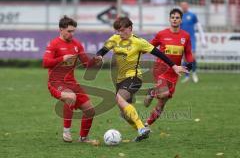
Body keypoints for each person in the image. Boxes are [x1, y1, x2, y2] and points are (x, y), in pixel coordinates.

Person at [95, 17, 188, 142]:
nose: (120, 33)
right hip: (120, 80)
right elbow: (102, 50)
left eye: (122, 30)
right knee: (124, 113)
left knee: (120, 99)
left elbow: (158, 53)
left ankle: (141, 128)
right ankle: (142, 131)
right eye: (118, 31)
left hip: (134, 77)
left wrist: (174, 66)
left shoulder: (138, 41)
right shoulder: (114, 39)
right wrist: (99, 56)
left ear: (130, 28)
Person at [43, 15, 99, 143]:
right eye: (69, 31)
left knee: (90, 110)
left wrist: (95, 60)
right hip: (55, 82)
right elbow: (45, 63)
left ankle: (83, 138)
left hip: (72, 83)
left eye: (73, 31)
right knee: (70, 97)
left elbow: (86, 64)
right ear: (61, 30)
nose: (72, 34)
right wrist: (61, 59)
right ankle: (66, 132)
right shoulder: (54, 44)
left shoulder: (77, 45)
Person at [143, 8, 193, 126]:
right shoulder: (162, 34)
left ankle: (146, 125)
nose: (175, 20)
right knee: (164, 94)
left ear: (181, 20)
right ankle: (152, 92)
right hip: (160, 70)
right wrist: (138, 51)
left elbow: (188, 52)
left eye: (177, 18)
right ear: (169, 19)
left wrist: (190, 62)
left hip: (174, 73)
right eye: (172, 17)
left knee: (161, 103)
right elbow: (149, 46)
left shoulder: (185, 36)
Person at [180, 1, 207, 83]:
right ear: (181, 7)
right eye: (182, 6)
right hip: (183, 40)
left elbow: (199, 27)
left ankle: (194, 73)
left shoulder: (192, 15)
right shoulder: (179, 16)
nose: (184, 7)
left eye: (185, 5)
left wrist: (203, 39)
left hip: (191, 39)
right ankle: (187, 76)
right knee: (185, 59)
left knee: (193, 57)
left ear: (187, 6)